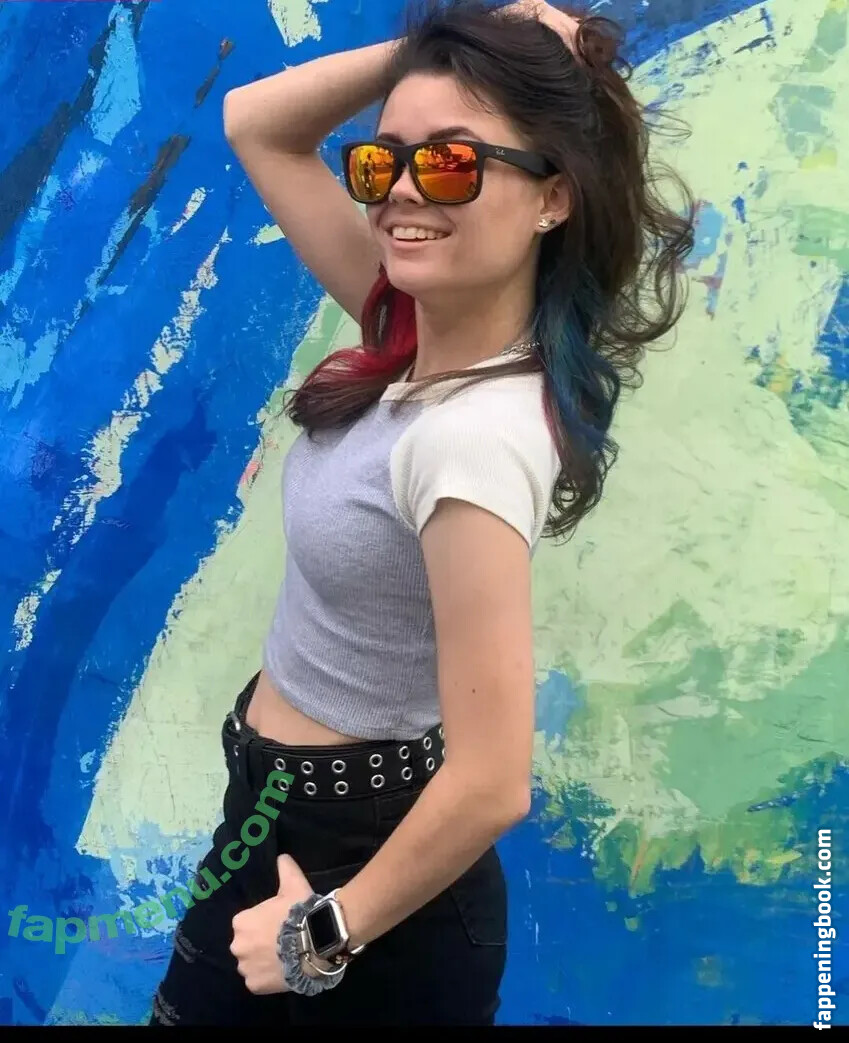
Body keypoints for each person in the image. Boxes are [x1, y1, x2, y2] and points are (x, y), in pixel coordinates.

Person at [148, 0, 693, 1027]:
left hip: (365, 872)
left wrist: (319, 935)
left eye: (449, 164)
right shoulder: (409, 327)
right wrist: (442, 46)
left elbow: (492, 780)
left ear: (552, 198)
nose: (402, 189)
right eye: (383, 161)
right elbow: (258, 124)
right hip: (274, 814)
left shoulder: (474, 437)